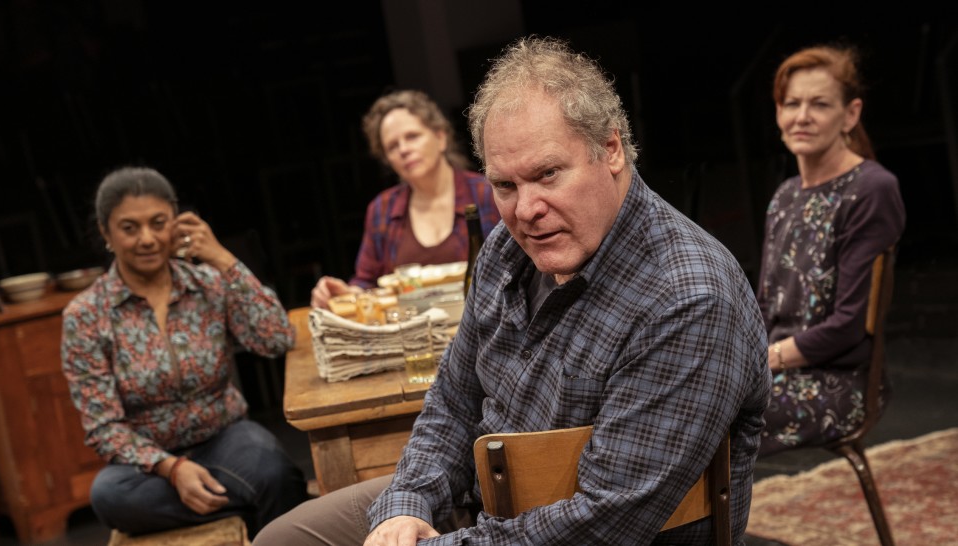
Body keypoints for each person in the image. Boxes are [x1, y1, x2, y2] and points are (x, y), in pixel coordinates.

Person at [256, 36, 771, 545]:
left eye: (548, 174)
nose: (525, 209)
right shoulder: (508, 249)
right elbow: (454, 399)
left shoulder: (688, 299)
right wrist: (406, 504)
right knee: (282, 540)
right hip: (487, 505)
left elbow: (605, 522)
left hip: (575, 535)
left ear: (610, 149)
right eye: (505, 186)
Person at [61, 166, 308, 538]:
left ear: (177, 223)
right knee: (109, 496)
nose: (147, 239)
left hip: (225, 437)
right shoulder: (86, 315)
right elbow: (102, 426)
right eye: (130, 228)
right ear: (105, 232)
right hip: (146, 463)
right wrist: (172, 469)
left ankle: (260, 500)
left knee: (274, 469)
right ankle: (261, 504)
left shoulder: (206, 283)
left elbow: (276, 338)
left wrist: (223, 259)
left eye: (159, 223)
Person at [756, 44, 906, 456]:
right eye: (791, 104)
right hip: (774, 370)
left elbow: (848, 327)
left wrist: (760, 361)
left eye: (819, 104)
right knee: (671, 398)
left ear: (851, 114)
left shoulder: (871, 190)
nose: (801, 117)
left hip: (839, 384)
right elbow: (764, 307)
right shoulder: (786, 196)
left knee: (699, 414)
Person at [310, 89, 500, 308]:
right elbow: (366, 283)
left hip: (485, 327)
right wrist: (343, 294)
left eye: (412, 136)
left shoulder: (486, 193)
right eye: (392, 146)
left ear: (440, 137)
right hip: (411, 336)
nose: (404, 149)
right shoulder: (382, 208)